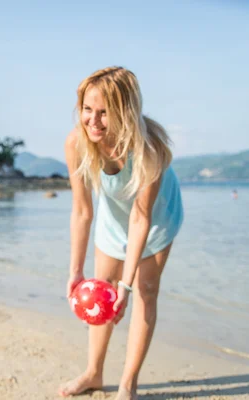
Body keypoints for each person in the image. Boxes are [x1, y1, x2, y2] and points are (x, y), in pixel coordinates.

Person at [59, 67, 184, 399]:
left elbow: (141, 219)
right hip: (113, 218)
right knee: (102, 289)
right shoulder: (76, 142)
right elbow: (83, 211)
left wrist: (126, 286)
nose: (94, 121)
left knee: (145, 290)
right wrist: (75, 271)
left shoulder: (149, 148)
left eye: (104, 113)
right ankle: (93, 373)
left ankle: (128, 383)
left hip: (156, 218)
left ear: (124, 113)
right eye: (88, 109)